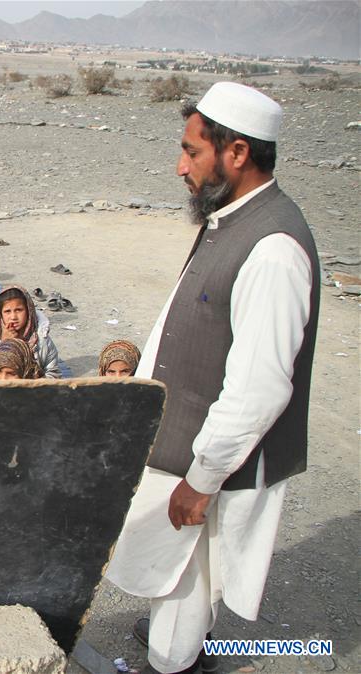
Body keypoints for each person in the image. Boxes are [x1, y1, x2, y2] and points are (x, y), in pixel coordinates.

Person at [105, 82, 320, 674]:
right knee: (178, 564)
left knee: (186, 571)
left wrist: (202, 479)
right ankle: (180, 642)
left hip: (215, 456)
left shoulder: (274, 247)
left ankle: (173, 663)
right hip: (190, 435)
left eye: (192, 152)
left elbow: (262, 388)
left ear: (238, 153)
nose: (180, 167)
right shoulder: (233, 218)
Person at [0, 286, 61, 379]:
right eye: (7, 311)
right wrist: (5, 344)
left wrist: (33, 384)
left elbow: (53, 374)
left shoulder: (41, 338)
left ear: (28, 311)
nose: (13, 317)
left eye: (18, 310)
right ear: (0, 314)